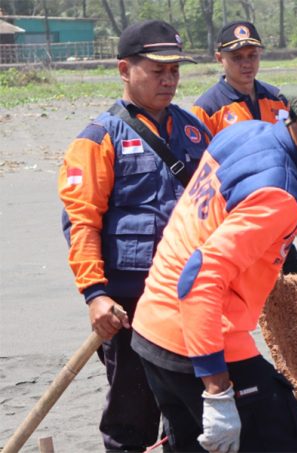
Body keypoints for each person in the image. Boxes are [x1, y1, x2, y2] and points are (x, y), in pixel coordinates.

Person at [130, 63, 297, 452]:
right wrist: (218, 393)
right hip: (201, 343)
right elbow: (199, 278)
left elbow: (238, 192)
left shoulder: (243, 133)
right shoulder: (276, 196)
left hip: (153, 329)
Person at [57, 20, 210, 451]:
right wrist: (94, 294)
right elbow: (81, 222)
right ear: (124, 70)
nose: (169, 80)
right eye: (157, 70)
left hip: (191, 294)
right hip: (129, 303)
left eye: (175, 71)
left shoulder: (195, 129)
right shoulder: (97, 139)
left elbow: (215, 206)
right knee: (132, 415)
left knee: (194, 414)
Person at [192, 20, 297, 275]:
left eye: (252, 56)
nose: (246, 64)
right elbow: (198, 176)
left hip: (281, 218)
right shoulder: (207, 109)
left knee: (294, 295)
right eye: (237, 57)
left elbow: (295, 162)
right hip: (236, 220)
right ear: (219, 58)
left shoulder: (278, 100)